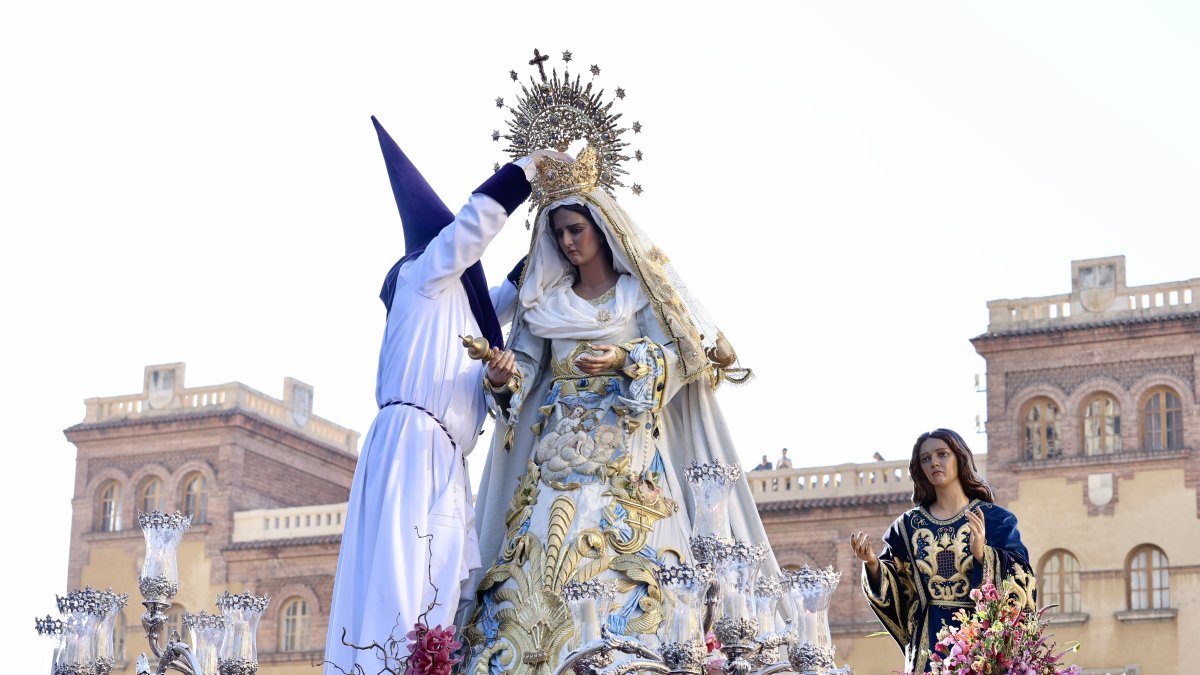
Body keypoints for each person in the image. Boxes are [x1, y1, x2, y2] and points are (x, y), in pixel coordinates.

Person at [460, 151, 776, 675]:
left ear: (603, 228)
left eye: (576, 229)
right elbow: (525, 376)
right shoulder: (544, 306)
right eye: (558, 232)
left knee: (631, 575)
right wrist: (501, 377)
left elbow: (684, 358)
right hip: (554, 468)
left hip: (627, 465)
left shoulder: (637, 296)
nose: (567, 242)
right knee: (536, 579)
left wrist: (627, 357)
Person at [323, 116, 559, 673]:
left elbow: (511, 291)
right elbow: (471, 230)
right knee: (401, 575)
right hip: (410, 445)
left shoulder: (459, 307)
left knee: (438, 583)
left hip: (445, 459)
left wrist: (552, 229)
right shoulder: (423, 277)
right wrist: (526, 172)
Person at [850, 428, 1037, 673]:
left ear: (960, 458)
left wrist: (983, 554)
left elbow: (1022, 574)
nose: (934, 462)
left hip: (980, 639)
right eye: (925, 459)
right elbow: (895, 586)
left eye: (942, 454)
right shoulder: (907, 526)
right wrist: (873, 564)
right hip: (929, 643)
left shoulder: (995, 519)